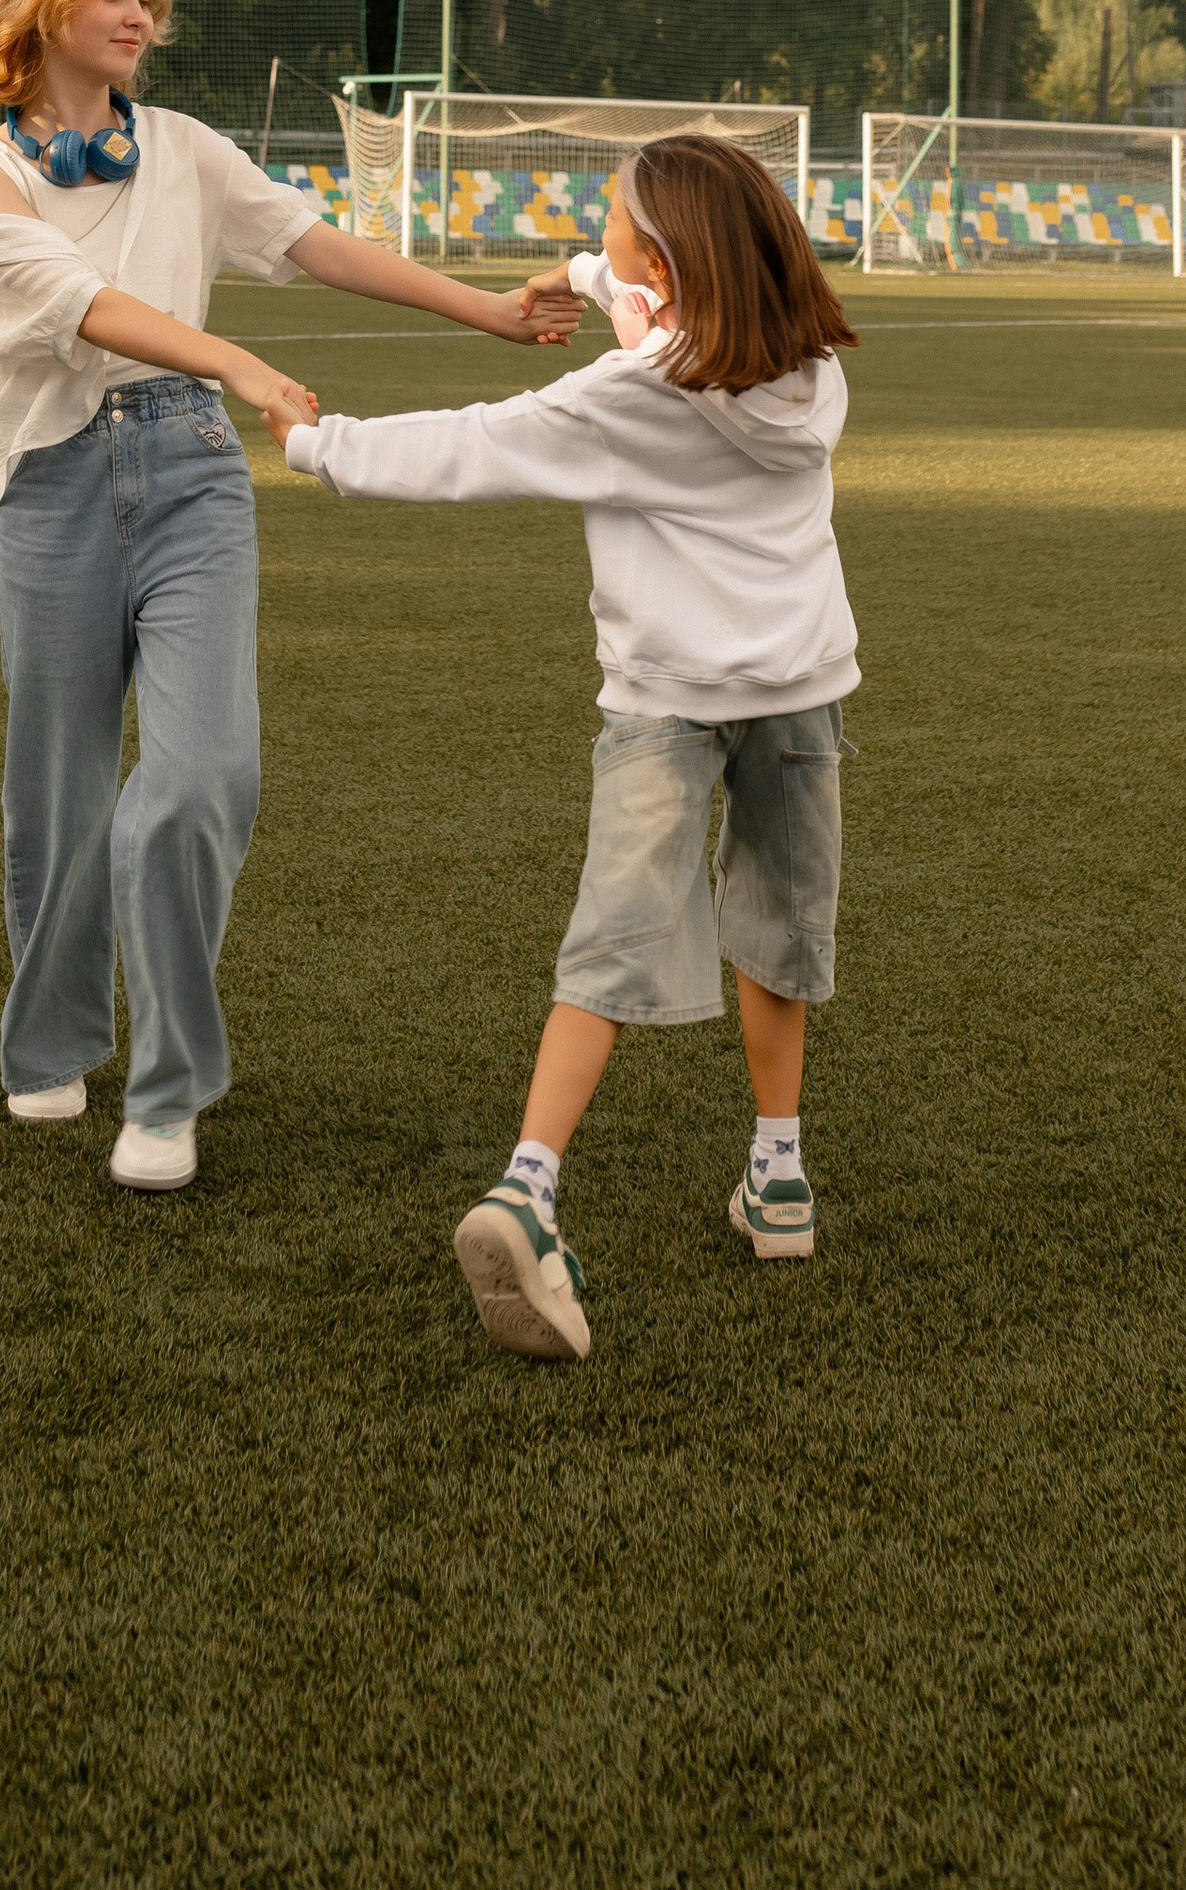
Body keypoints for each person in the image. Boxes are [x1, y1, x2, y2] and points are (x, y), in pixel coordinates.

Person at [0, 0, 579, 1193]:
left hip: (193, 481)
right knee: (56, 795)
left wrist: (488, 312)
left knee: (203, 776)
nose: (137, 14)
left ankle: (169, 1093)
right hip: (56, 492)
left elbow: (307, 239)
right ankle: (52, 1038)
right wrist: (231, 354)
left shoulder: (183, 146)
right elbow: (80, 309)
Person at [268, 133, 858, 1361]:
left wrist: (312, 440)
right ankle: (779, 1173)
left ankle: (528, 1185)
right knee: (780, 922)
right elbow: (665, 329)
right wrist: (592, 276)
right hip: (800, 688)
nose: (610, 238)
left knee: (615, 929)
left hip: (662, 694)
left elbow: (474, 447)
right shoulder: (805, 373)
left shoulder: (626, 403)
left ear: (676, 261)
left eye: (620, 226)